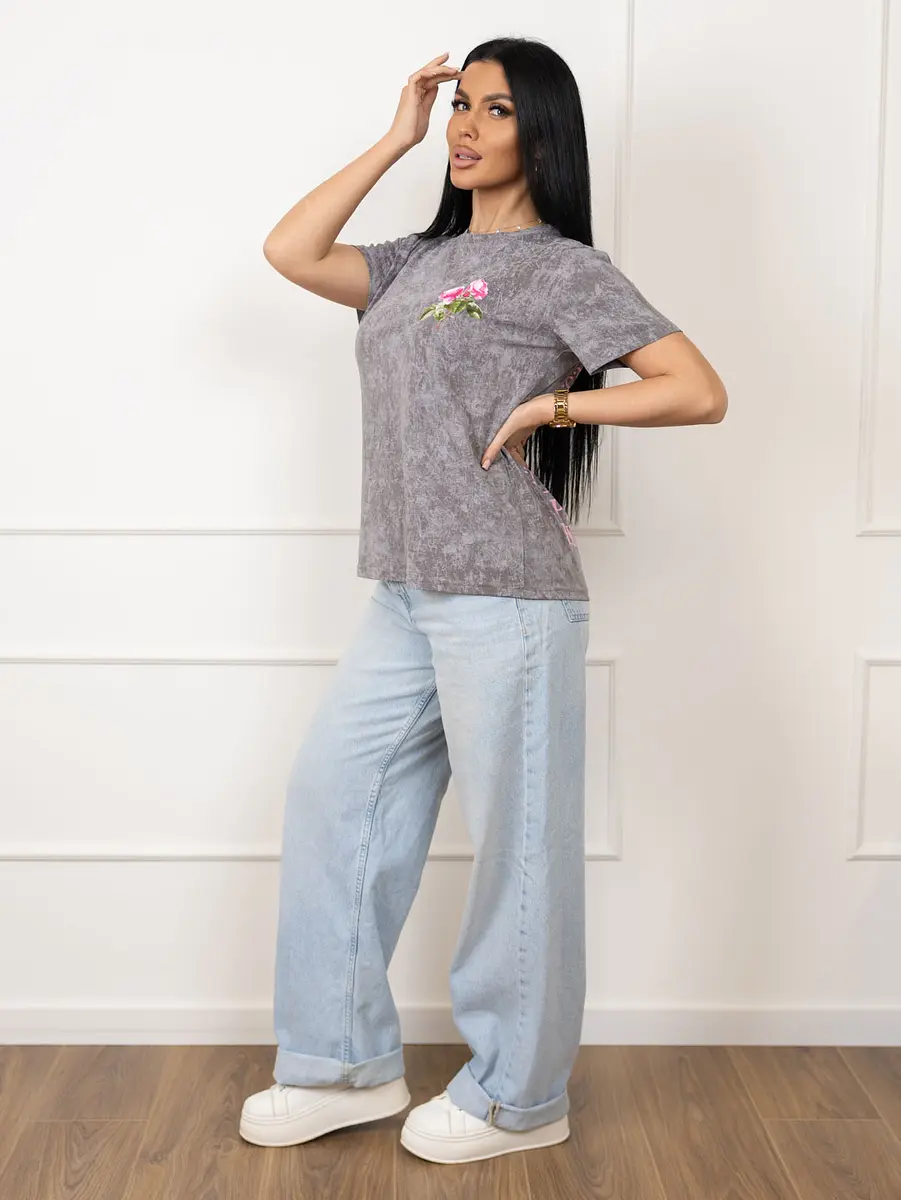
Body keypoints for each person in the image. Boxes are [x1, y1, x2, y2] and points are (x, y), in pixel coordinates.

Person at [240, 38, 727, 1165]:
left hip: (507, 597)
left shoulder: (564, 270)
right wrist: (393, 137)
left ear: (540, 132)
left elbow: (696, 390)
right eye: (460, 104)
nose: (465, 125)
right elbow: (289, 250)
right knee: (333, 805)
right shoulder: (414, 261)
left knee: (519, 851)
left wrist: (558, 407)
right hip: (403, 594)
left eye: (494, 110)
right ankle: (340, 1065)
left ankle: (519, 1096)